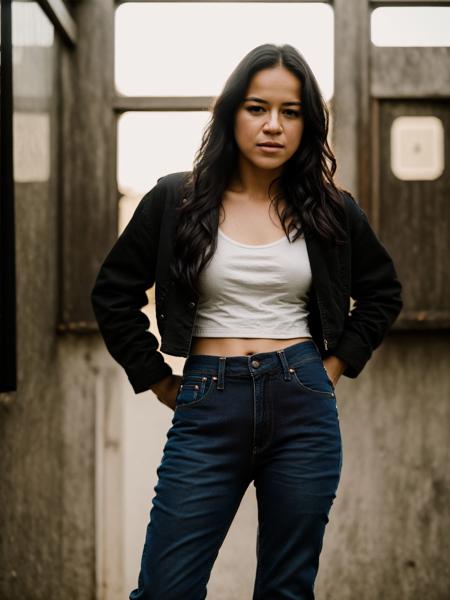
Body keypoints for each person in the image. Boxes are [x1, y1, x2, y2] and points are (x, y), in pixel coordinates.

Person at [91, 43, 402, 599]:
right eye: (257, 107)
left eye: (291, 111)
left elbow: (383, 292)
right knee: (166, 590)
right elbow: (113, 294)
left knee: (286, 590)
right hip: (209, 403)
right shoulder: (174, 200)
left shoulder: (332, 210)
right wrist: (160, 380)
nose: (273, 126)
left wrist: (331, 367)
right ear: (232, 111)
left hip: (303, 404)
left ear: (308, 123)